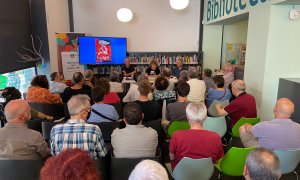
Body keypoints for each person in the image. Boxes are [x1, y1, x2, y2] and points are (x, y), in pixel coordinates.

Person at [169, 103, 224, 170]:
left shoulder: (177, 135)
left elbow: (172, 157)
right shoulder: (216, 137)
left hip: (182, 173)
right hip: (206, 172)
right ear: (205, 117)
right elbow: (217, 160)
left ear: (187, 116)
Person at [51, 95, 107, 159]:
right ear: (84, 112)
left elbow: (54, 155)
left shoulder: (55, 130)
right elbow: (102, 155)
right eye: (89, 109)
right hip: (87, 168)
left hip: (62, 168)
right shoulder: (94, 129)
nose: (90, 111)